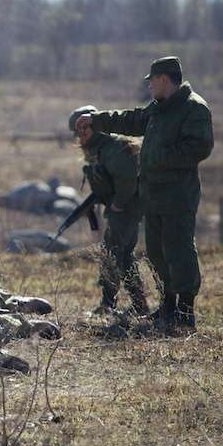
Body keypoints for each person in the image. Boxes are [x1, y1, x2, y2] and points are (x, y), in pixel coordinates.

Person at [75, 56, 213, 330]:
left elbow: (200, 147)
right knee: (156, 252)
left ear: (164, 80)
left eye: (152, 82)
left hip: (178, 195)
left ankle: (185, 312)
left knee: (179, 250)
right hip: (154, 195)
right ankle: (167, 307)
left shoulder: (193, 108)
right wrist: (97, 120)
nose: (149, 87)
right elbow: (132, 120)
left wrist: (158, 158)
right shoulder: (159, 108)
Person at [68, 105, 149, 317]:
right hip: (122, 208)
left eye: (82, 129)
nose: (80, 136)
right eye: (77, 132)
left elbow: (127, 181)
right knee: (124, 256)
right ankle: (138, 304)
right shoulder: (98, 149)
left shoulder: (114, 148)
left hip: (126, 208)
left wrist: (118, 204)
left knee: (111, 253)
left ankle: (108, 303)